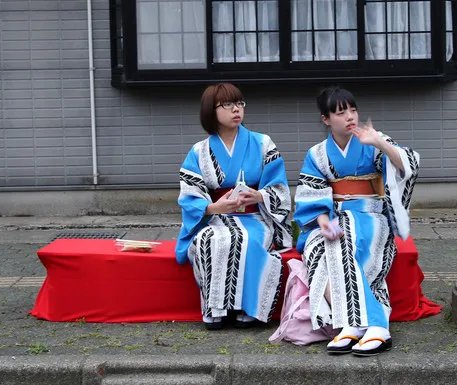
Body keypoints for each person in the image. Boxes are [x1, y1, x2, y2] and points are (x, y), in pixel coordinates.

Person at [294, 86, 419, 356]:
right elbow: (312, 194)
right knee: (315, 251)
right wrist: (323, 221)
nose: (350, 117)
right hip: (335, 216)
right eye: (341, 113)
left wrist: (379, 144)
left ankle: (375, 325)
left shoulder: (373, 140)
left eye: (353, 110)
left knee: (345, 242)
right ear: (326, 119)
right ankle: (355, 323)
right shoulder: (317, 154)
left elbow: (407, 166)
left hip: (371, 215)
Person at [177, 83, 294, 330]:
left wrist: (259, 195)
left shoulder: (263, 143)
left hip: (255, 217)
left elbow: (279, 187)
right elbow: (189, 194)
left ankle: (247, 307)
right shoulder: (199, 151)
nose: (236, 109)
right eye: (228, 104)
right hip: (216, 218)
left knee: (249, 239)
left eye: (239, 103)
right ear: (211, 110)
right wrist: (214, 207)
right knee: (210, 240)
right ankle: (214, 307)